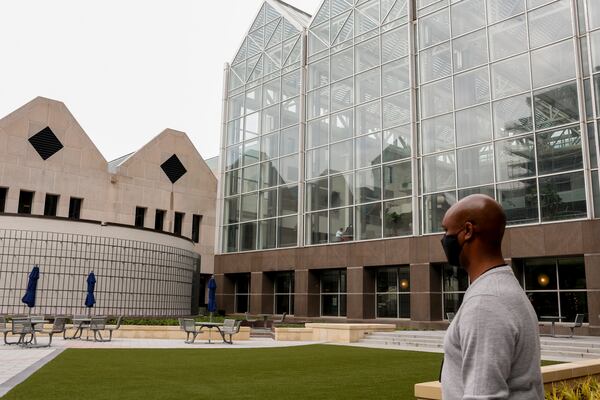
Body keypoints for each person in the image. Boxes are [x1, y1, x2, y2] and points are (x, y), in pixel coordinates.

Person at [440, 194, 543, 400]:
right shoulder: (501, 287)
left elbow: (484, 395)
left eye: (446, 231)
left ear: (468, 231)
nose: (443, 240)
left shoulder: (486, 302)